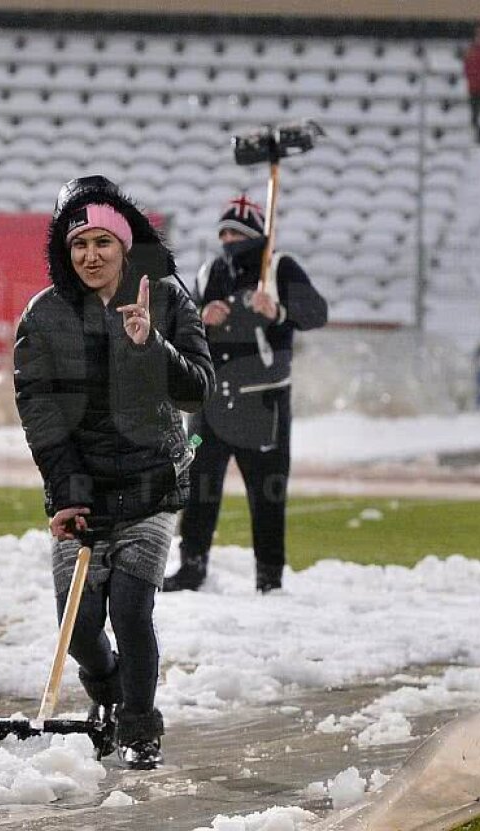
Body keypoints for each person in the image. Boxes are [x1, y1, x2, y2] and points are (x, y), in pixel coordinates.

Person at [14, 175, 214, 769]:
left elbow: (196, 390)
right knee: (77, 630)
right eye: (79, 245)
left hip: (151, 487)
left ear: (126, 245)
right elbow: (41, 413)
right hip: (80, 491)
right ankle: (109, 692)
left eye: (103, 242)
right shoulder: (43, 316)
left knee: (131, 608)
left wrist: (150, 342)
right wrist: (68, 493)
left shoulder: (170, 301)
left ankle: (139, 727)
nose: (90, 256)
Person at [164, 195, 327, 595]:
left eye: (236, 232)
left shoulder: (279, 266)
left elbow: (317, 313)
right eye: (222, 233)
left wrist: (279, 312)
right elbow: (181, 327)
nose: (228, 239)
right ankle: (191, 567)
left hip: (263, 405)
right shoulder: (211, 271)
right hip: (210, 405)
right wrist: (202, 317)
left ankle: (269, 578)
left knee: (267, 493)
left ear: (255, 234)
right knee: (198, 487)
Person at [465, 24, 480, 144]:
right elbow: (467, 69)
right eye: (478, 33)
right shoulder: (471, 51)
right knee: (476, 118)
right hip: (475, 90)